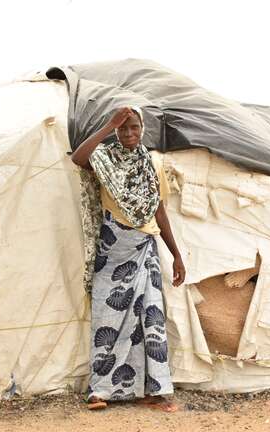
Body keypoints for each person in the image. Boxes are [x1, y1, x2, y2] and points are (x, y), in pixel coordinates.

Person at [71, 106, 186, 412]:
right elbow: (78, 158)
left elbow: (158, 210)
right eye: (124, 129)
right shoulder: (106, 158)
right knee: (108, 319)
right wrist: (109, 124)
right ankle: (101, 391)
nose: (129, 134)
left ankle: (155, 391)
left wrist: (176, 254)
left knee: (150, 319)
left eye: (134, 127)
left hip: (145, 247)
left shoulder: (153, 163)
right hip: (114, 247)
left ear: (142, 129)